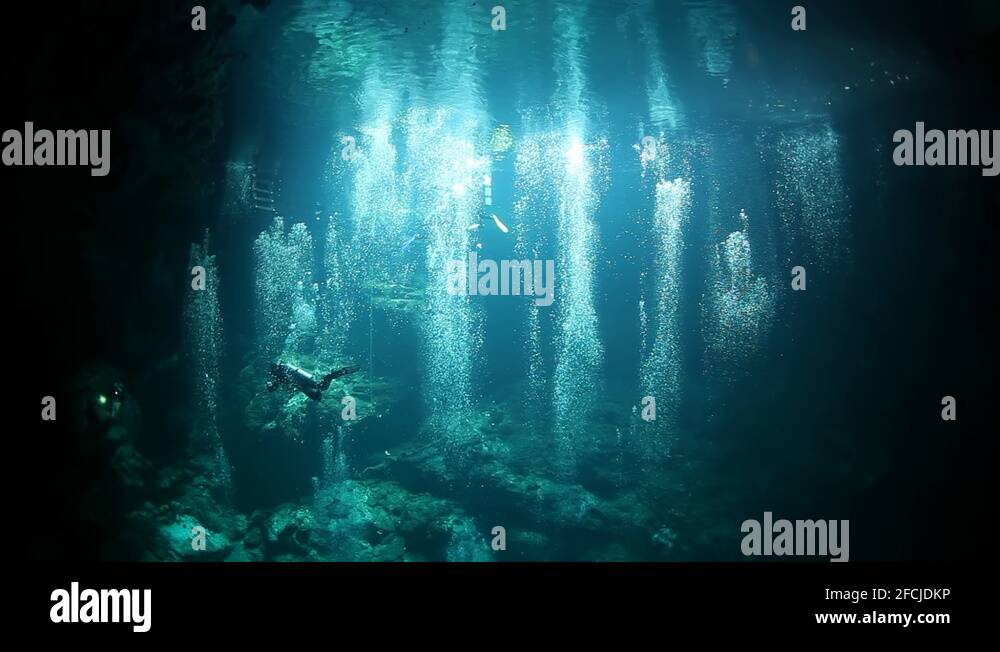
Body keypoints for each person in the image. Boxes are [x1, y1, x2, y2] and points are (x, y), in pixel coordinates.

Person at [266, 361, 360, 401]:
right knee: (321, 387)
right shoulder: (280, 374)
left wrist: (271, 386)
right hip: (300, 380)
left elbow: (276, 385)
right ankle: (331, 376)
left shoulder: (282, 373)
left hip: (300, 381)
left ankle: (332, 376)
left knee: (320, 388)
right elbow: (273, 388)